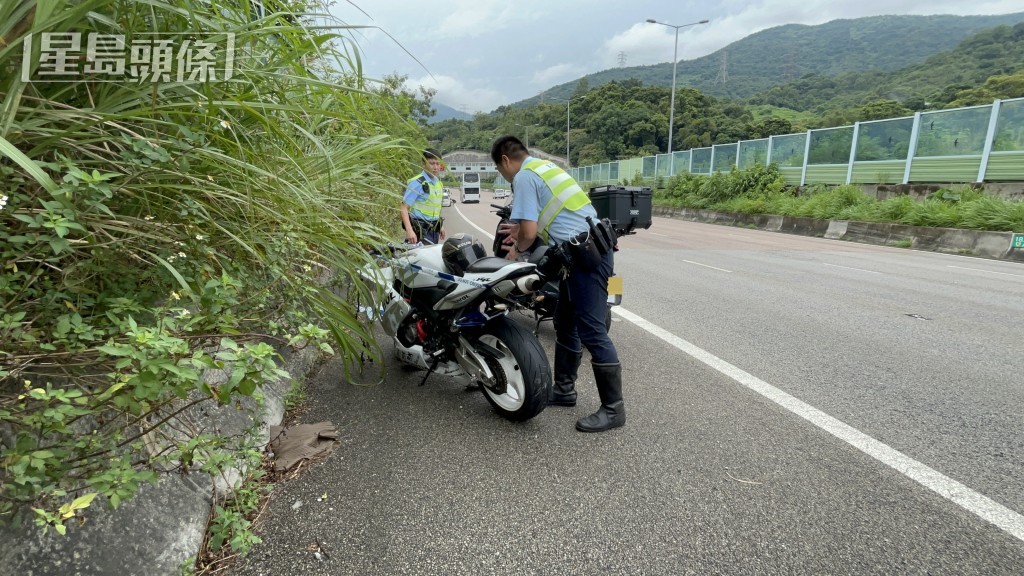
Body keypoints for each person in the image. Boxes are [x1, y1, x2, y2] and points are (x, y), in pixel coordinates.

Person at [490, 135, 624, 433]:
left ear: (505, 160)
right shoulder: (544, 168)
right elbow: (551, 217)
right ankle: (564, 390)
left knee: (592, 330)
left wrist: (513, 254)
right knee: (564, 321)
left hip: (587, 257)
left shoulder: (524, 175)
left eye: (502, 172)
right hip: (581, 253)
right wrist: (521, 228)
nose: (506, 176)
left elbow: (528, 233)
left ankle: (614, 409)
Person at [401, 149, 447, 244]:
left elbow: (435, 208)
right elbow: (403, 207)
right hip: (420, 232)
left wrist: (440, 226)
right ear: (423, 164)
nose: (435, 167)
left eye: (438, 164)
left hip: (434, 231)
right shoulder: (417, 183)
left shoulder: (438, 183)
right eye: (431, 163)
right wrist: (409, 231)